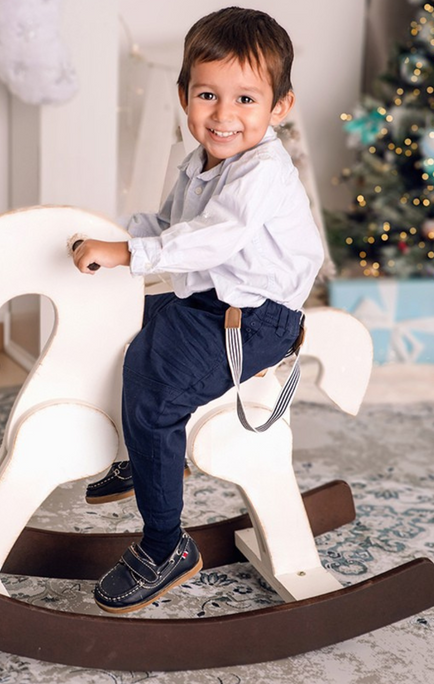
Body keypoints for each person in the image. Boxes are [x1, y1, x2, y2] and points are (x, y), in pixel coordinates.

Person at [72, 6, 324, 614]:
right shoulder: (200, 163)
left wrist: (128, 253)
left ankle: (165, 546)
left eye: (246, 99)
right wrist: (108, 237)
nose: (224, 115)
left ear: (279, 107)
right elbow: (169, 225)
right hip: (209, 295)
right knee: (122, 327)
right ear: (184, 95)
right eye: (208, 95)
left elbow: (213, 238)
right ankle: (148, 457)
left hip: (254, 317)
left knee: (156, 386)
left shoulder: (262, 170)